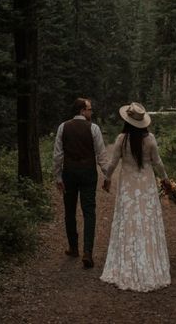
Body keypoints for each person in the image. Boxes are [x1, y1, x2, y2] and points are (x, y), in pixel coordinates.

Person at [100, 102, 171, 291]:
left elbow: (113, 163)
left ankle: (128, 260)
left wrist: (106, 178)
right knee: (147, 220)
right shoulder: (150, 139)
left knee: (128, 219)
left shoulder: (122, 139)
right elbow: (158, 163)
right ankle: (150, 260)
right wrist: (166, 180)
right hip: (146, 184)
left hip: (128, 186)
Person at [53, 97, 108, 269]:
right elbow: (101, 155)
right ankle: (88, 252)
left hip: (69, 173)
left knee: (69, 211)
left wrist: (58, 177)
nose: (91, 112)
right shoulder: (94, 128)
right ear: (82, 110)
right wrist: (107, 175)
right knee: (89, 211)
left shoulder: (63, 127)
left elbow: (58, 155)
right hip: (88, 174)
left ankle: (73, 248)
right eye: (89, 109)